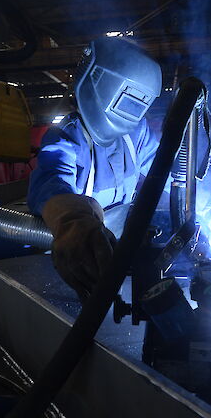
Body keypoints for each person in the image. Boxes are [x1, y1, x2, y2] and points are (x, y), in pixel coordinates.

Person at [27, 36, 162, 300]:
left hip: (117, 252)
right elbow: (52, 182)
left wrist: (206, 202)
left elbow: (166, 167)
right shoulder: (67, 138)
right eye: (129, 102)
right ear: (105, 87)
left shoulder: (136, 134)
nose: (133, 114)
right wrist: (73, 221)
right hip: (75, 262)